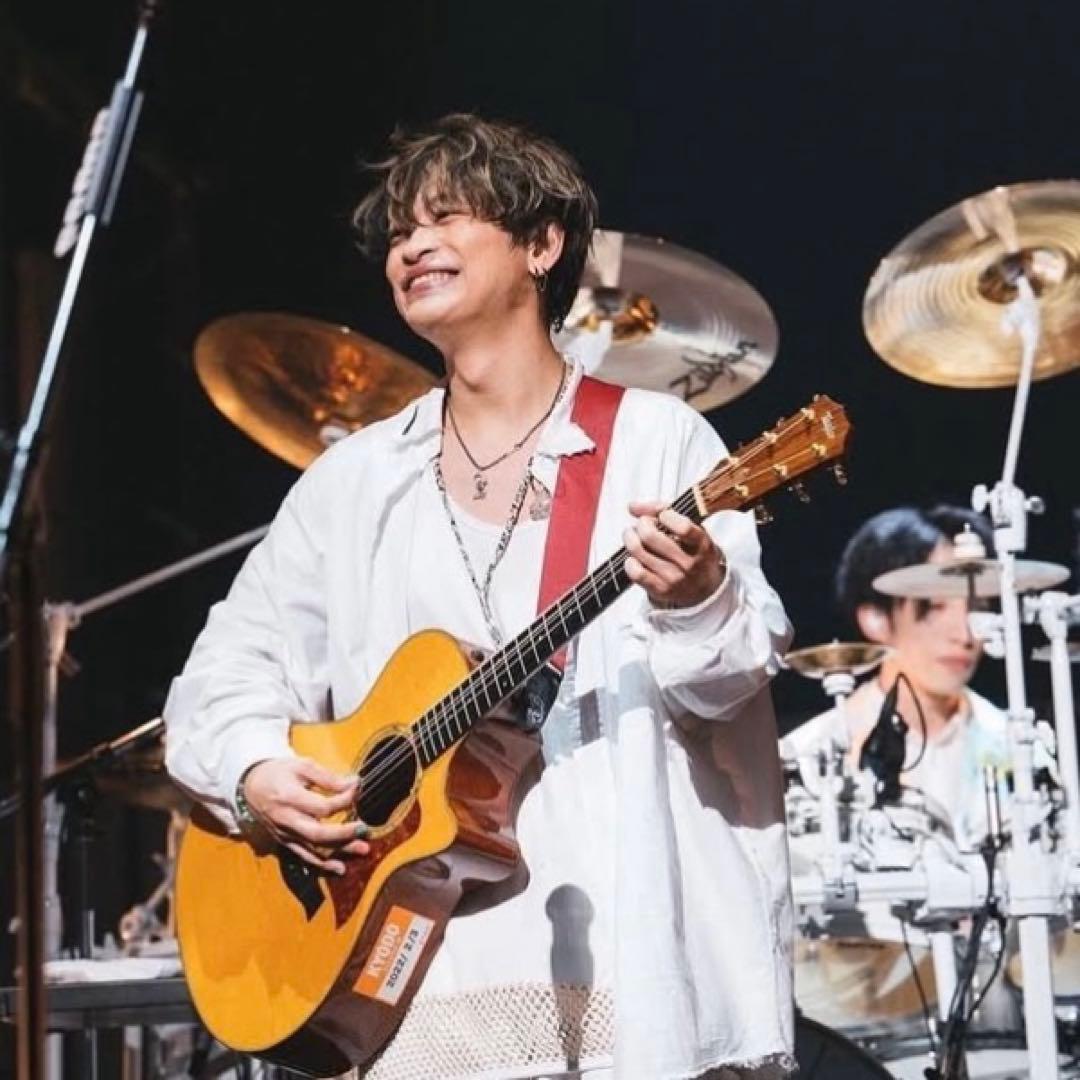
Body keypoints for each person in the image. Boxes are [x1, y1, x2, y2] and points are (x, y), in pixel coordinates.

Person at [164, 113, 794, 1080]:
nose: (412, 246)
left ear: (541, 244)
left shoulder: (655, 442)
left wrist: (698, 596)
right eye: (400, 233)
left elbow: (729, 684)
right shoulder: (356, 480)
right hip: (425, 983)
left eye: (447, 217)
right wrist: (254, 769)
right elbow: (224, 670)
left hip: (620, 958)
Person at [783, 504, 1007, 853]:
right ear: (876, 617)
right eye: (935, 607)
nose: (965, 634)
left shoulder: (1016, 741)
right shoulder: (812, 755)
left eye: (978, 608)